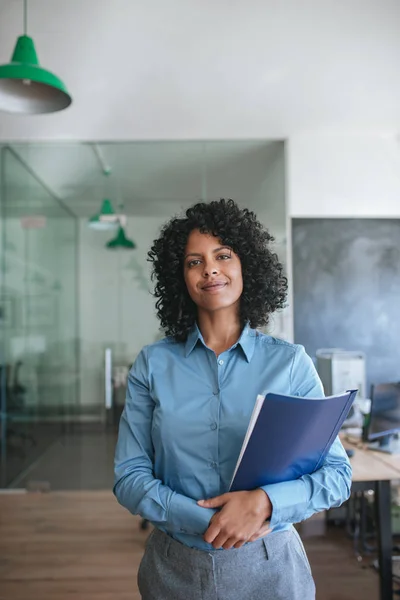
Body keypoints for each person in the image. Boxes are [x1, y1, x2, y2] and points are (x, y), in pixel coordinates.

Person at [114, 198, 352, 600]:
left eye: (223, 255)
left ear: (246, 267)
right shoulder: (153, 365)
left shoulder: (290, 364)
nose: (209, 268)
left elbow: (336, 475)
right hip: (173, 570)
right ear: (181, 277)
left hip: (271, 568)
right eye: (194, 261)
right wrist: (205, 517)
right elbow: (130, 476)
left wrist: (265, 503)